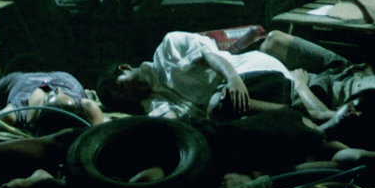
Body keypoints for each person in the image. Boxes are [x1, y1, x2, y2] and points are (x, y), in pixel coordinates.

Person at [97, 30, 330, 122]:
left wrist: (233, 79)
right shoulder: (153, 103)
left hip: (252, 73)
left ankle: (306, 115)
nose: (128, 93)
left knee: (218, 103)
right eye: (124, 98)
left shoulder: (168, 47)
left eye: (121, 86)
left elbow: (210, 56)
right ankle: (309, 117)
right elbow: (171, 121)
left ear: (125, 68)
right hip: (244, 105)